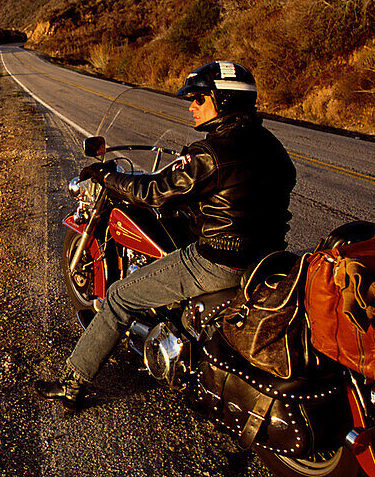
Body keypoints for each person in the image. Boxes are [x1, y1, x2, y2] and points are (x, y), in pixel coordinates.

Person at [34, 61, 297, 410]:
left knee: (118, 297)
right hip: (267, 257)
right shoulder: (272, 147)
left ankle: (72, 384)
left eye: (199, 99)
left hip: (219, 260)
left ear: (225, 101)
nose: (191, 106)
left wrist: (107, 179)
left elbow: (155, 191)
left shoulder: (210, 153)